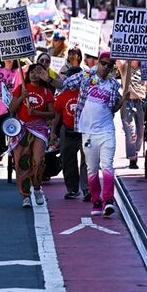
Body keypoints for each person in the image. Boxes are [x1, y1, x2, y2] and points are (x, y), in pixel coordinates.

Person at [60, 52, 122, 216]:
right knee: (92, 170)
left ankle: (108, 200)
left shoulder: (114, 85)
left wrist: (123, 100)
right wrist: (49, 78)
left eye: (109, 65)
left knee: (107, 165)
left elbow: (113, 108)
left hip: (106, 130)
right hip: (88, 132)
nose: (105, 67)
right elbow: (66, 84)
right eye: (103, 63)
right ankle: (96, 200)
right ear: (98, 63)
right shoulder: (86, 76)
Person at [9, 63, 56, 208]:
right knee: (21, 163)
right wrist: (21, 97)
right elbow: (11, 108)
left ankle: (36, 187)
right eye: (31, 72)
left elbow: (52, 113)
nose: (34, 75)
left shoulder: (46, 91)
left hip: (39, 130)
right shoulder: (22, 88)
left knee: (38, 161)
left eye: (38, 72)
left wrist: (37, 114)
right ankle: (25, 196)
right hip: (22, 129)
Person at [55, 66, 89, 200]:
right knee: (68, 161)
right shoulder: (62, 94)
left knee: (87, 162)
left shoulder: (87, 93)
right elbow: (57, 115)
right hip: (67, 130)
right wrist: (53, 133)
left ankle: (87, 189)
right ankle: (72, 189)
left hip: (85, 130)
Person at [0, 58, 21, 167]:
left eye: (12, 57)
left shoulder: (18, 71)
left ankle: (14, 157)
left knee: (14, 133)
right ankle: (0, 154)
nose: (9, 59)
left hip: (12, 107)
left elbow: (30, 69)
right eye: (6, 57)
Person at [119, 59, 147, 170]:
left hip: (141, 102)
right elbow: (116, 57)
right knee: (130, 131)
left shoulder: (144, 68)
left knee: (140, 132)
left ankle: (135, 151)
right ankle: (132, 158)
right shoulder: (124, 67)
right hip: (127, 102)